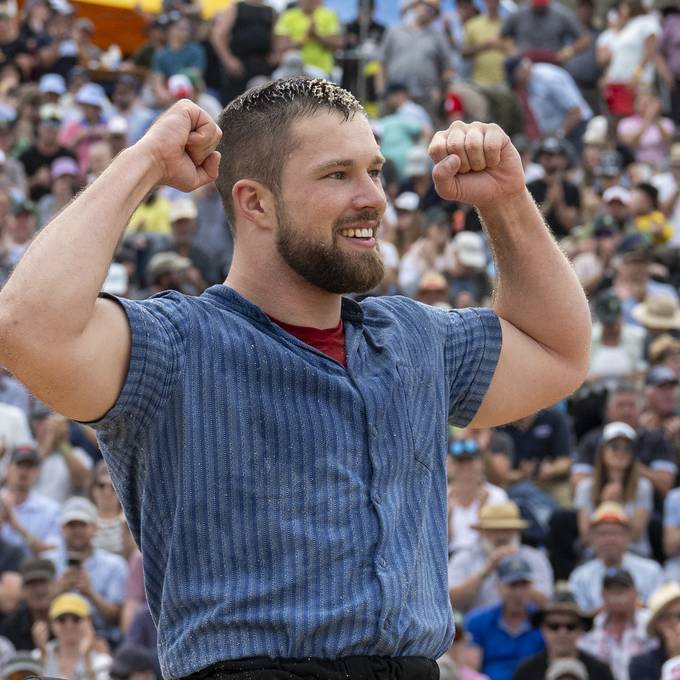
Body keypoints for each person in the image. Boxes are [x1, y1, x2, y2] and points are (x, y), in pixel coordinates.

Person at [0, 78, 591, 679]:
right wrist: (145, 161)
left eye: (374, 170)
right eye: (338, 175)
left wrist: (507, 200)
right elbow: (27, 328)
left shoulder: (413, 337)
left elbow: (558, 353)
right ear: (254, 202)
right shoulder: (178, 343)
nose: (374, 199)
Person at [448, 501, 554, 613]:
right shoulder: (464, 557)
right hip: (478, 628)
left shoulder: (535, 558)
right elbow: (451, 602)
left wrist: (520, 581)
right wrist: (486, 570)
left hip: (526, 626)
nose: (501, 535)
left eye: (507, 529)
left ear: (518, 531)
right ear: (481, 532)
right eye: (494, 530)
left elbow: (544, 603)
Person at [53, 496, 128, 649]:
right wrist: (57, 590)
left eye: (82, 525)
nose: (77, 531)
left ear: (94, 528)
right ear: (62, 529)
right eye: (71, 525)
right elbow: (33, 612)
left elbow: (117, 618)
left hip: (104, 639)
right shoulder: (48, 562)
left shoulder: (114, 565)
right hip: (55, 636)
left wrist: (91, 593)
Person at [573, 422, 654, 556]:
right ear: (602, 451)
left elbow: (635, 535)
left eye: (627, 448)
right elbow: (586, 537)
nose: (621, 453)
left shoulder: (643, 487)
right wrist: (605, 505)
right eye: (614, 447)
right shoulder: (585, 487)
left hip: (634, 553)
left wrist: (617, 506)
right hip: (597, 555)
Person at [569, 502, 663, 610]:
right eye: (603, 534)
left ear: (628, 537)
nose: (609, 539)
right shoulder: (580, 576)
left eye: (615, 533)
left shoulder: (651, 571)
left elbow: (658, 611)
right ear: (592, 538)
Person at [466, 555, 545, 680]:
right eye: (512, 585)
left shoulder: (543, 622)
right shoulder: (478, 622)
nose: (518, 593)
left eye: (524, 584)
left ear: (532, 587)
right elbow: (470, 671)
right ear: (498, 587)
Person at [511, 589, 615, 680]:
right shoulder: (526, 672)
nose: (562, 633)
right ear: (543, 629)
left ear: (580, 629)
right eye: (554, 626)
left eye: (570, 626)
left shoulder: (600, 672)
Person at [578, 567, 655, 680]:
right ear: (603, 595)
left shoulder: (650, 622)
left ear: (635, 592)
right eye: (612, 590)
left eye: (622, 590)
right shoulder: (592, 626)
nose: (617, 596)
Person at [34, 592, 111, 680]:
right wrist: (44, 657)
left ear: (88, 623)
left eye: (76, 619)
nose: (69, 625)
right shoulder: (37, 656)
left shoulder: (103, 662)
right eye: (61, 620)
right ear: (52, 624)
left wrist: (87, 658)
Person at [0, 558, 55, 651]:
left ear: (55, 585)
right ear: (23, 589)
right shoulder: (10, 626)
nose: (39, 590)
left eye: (43, 583)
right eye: (32, 584)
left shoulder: (71, 619)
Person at [629, 581, 680, 680]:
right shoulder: (642, 664)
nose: (677, 623)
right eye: (668, 617)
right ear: (657, 624)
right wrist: (675, 657)